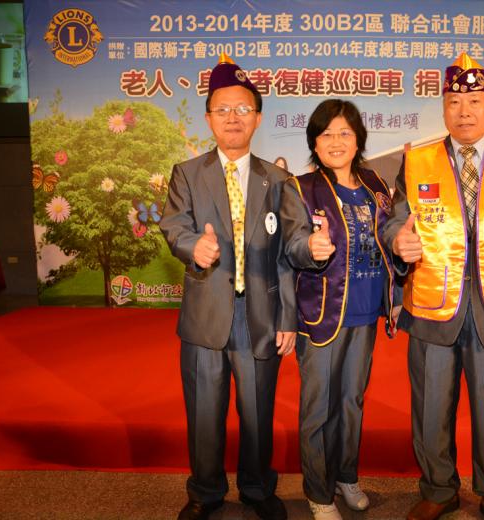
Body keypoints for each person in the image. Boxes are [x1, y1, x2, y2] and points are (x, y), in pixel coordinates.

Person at [381, 53, 484, 520]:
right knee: (431, 406)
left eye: (474, 101)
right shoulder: (417, 160)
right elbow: (394, 220)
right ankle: (438, 490)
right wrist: (397, 240)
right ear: (443, 107)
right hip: (433, 304)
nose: (464, 111)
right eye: (454, 101)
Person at [160, 53, 296, 520]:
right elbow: (174, 225)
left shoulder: (278, 179)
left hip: (260, 315)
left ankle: (257, 489)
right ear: (208, 119)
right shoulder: (187, 173)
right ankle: (205, 492)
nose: (233, 117)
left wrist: (288, 317)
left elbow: (288, 253)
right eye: (223, 109)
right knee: (204, 412)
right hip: (206, 313)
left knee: (258, 411)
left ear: (257, 118)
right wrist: (193, 246)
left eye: (242, 109)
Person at [280, 99, 400, 520]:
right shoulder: (300, 188)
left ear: (358, 139)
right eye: (326, 134)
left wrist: (397, 289)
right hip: (322, 315)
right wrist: (310, 248)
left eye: (344, 133)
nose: (336, 141)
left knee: (352, 401)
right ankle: (318, 491)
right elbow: (292, 245)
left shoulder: (375, 184)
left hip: (365, 313)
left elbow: (391, 238)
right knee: (318, 408)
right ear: (314, 142)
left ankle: (346, 475)